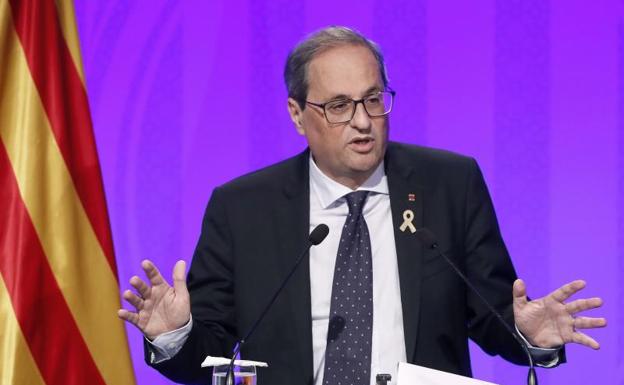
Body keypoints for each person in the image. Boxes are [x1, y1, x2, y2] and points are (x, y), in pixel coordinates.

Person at [118, 26, 606, 385]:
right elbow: (212, 357)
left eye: (374, 99)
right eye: (338, 106)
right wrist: (175, 335)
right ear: (296, 114)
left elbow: (494, 317)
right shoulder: (242, 209)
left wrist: (530, 336)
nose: (363, 122)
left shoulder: (449, 185)